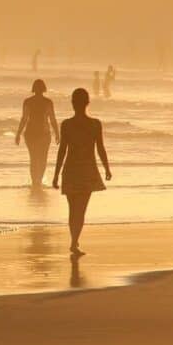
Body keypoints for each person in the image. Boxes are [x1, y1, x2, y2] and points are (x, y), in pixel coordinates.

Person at [52, 88, 112, 256]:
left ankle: (74, 241)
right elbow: (100, 148)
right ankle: (74, 242)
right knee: (81, 209)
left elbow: (62, 151)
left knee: (72, 209)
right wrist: (107, 168)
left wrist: (56, 174)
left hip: (70, 171)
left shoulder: (67, 125)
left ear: (72, 104)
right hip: (87, 171)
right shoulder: (95, 124)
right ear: (87, 103)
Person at [15, 79, 60, 187]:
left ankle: (35, 182)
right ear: (44, 88)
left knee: (33, 158)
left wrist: (18, 134)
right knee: (43, 159)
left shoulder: (28, 101)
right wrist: (57, 133)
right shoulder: (48, 102)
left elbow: (24, 119)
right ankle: (38, 181)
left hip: (30, 133)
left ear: (33, 88)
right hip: (44, 134)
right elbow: (52, 119)